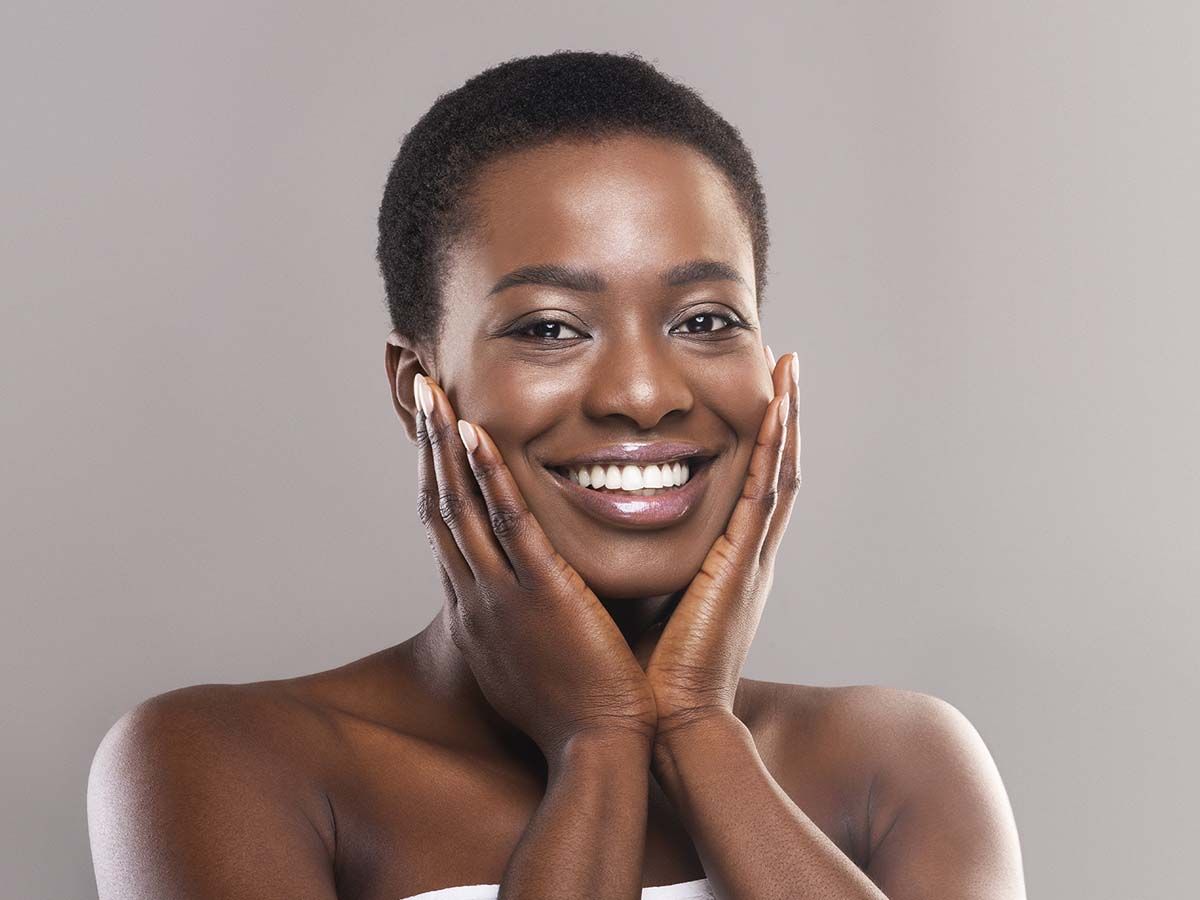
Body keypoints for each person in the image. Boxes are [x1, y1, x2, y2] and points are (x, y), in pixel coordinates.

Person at [87, 51, 1026, 900]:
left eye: (705, 320)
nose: (644, 394)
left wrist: (700, 729)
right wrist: (599, 746)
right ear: (420, 388)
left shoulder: (899, 766)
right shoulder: (227, 765)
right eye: (548, 328)